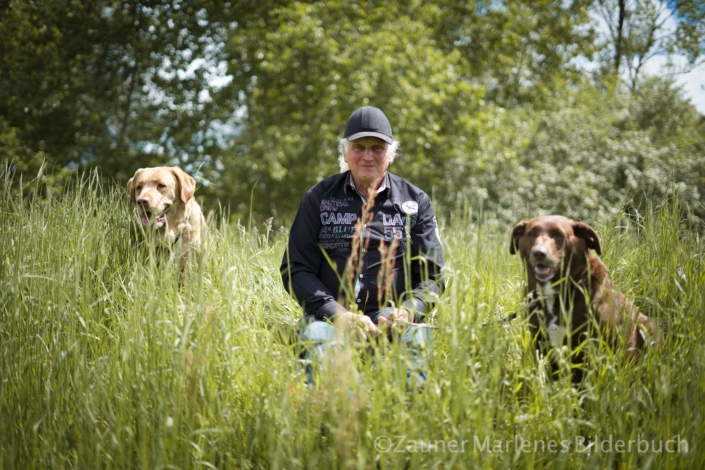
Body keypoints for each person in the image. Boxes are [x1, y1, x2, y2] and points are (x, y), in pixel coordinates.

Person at [280, 106, 444, 384]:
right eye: (359, 147)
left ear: (390, 154)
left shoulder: (417, 203)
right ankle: (350, 419)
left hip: (395, 319)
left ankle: (406, 421)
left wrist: (408, 311)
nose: (368, 155)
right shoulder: (317, 199)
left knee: (415, 349)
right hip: (328, 319)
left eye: (377, 147)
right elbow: (296, 270)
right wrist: (338, 314)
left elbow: (432, 277)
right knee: (323, 353)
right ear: (345, 153)